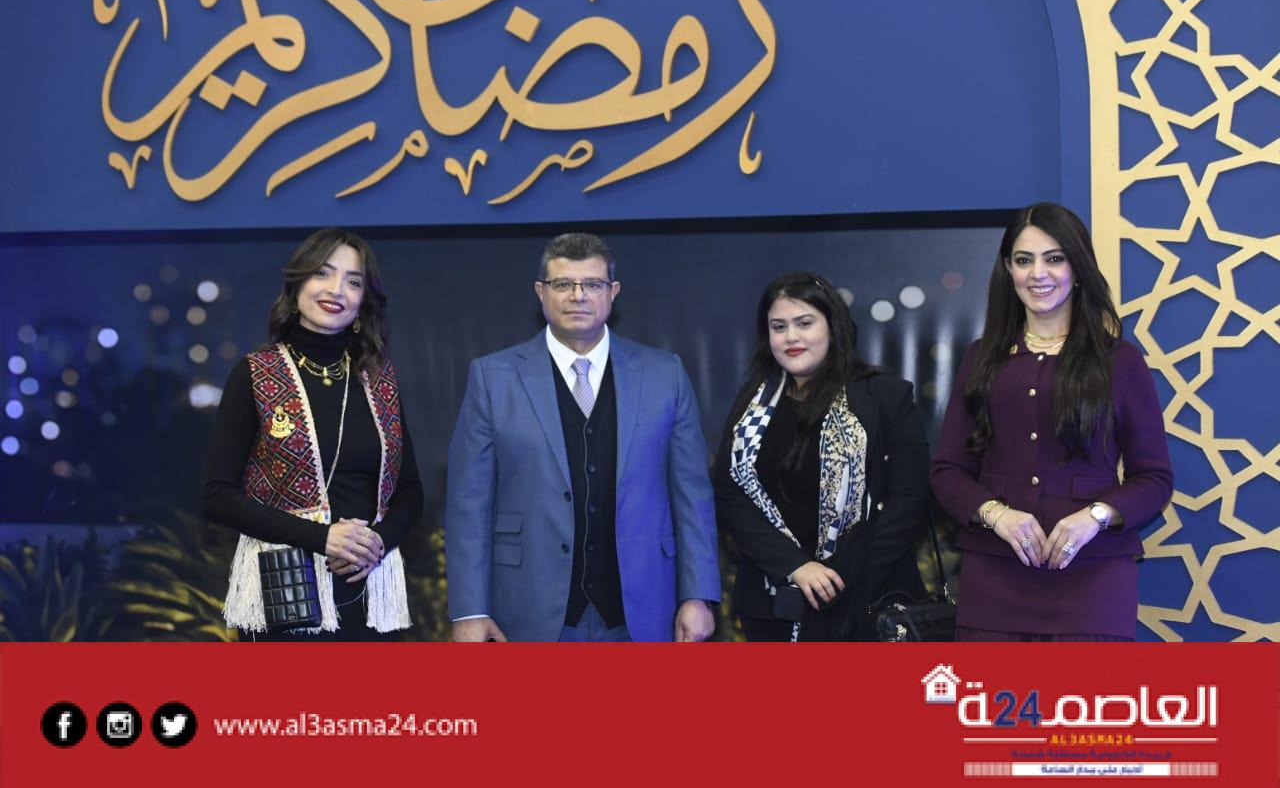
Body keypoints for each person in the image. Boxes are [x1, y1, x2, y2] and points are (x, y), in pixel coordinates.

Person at [445, 232, 720, 642]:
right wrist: (470, 610)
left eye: (592, 284)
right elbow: (469, 504)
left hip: (644, 608)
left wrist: (698, 595)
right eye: (563, 284)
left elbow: (692, 497)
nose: (578, 296)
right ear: (541, 293)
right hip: (528, 610)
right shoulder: (492, 377)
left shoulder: (666, 374)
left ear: (613, 292)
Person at [930, 203, 1173, 641]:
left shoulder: (1119, 360)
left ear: (1077, 268)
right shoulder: (982, 357)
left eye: (1054, 258)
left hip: (1093, 581)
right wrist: (996, 515)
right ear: (1008, 269)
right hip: (994, 580)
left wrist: (1095, 517)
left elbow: (1154, 479)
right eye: (1024, 260)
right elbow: (947, 472)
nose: (1037, 274)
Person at [202, 228, 421, 640]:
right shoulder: (255, 373)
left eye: (353, 281)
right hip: (287, 591)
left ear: (363, 301)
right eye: (323, 273)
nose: (336, 289)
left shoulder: (378, 380)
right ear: (298, 284)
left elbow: (410, 491)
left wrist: (376, 543)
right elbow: (217, 496)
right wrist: (324, 538)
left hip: (368, 586)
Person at [716, 272, 930, 641]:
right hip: (773, 604)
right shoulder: (752, 404)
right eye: (779, 326)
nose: (791, 337)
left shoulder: (884, 396)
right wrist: (795, 567)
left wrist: (838, 578)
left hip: (866, 600)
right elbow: (730, 495)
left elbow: (910, 497)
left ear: (833, 326)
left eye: (804, 323)